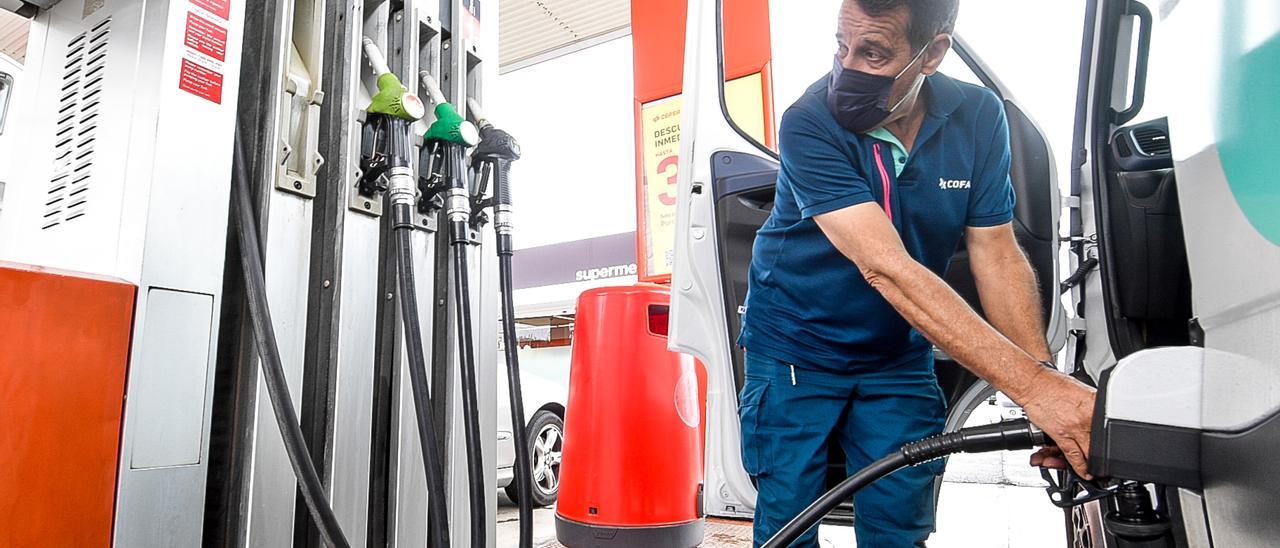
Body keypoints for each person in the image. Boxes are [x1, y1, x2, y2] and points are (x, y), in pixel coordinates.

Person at [736, 0, 1096, 545]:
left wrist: (1040, 381)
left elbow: (995, 251)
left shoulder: (977, 116)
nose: (847, 67)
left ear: (933, 53)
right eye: (841, 46)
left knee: (901, 522)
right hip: (794, 349)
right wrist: (1037, 389)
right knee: (790, 519)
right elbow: (887, 269)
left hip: (897, 356)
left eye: (873, 52)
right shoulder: (809, 122)